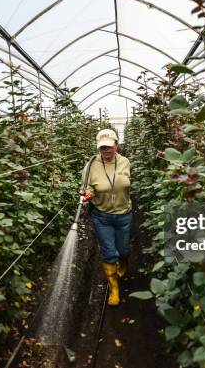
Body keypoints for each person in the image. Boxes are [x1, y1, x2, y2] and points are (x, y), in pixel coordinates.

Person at [80, 128, 133, 306]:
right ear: (98, 148)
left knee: (123, 250)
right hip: (102, 215)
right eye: (102, 148)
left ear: (116, 145)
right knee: (109, 253)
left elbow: (127, 183)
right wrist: (88, 193)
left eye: (109, 147)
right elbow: (87, 188)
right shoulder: (90, 166)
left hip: (124, 214)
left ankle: (123, 260)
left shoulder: (125, 162)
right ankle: (114, 290)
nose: (106, 151)